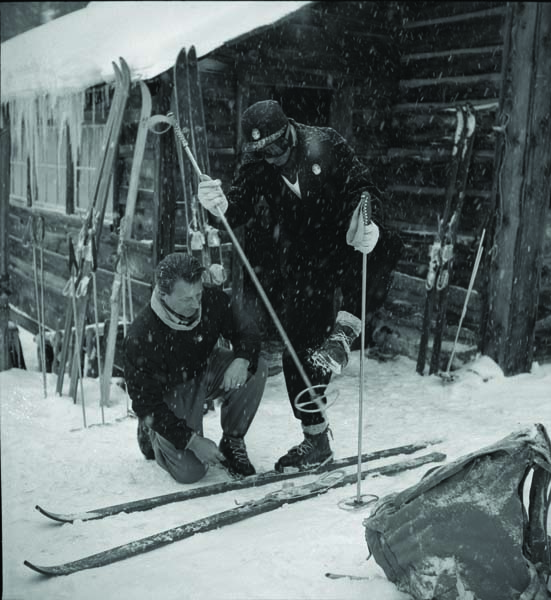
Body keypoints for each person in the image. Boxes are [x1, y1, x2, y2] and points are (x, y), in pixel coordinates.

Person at [198, 100, 403, 472]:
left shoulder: (325, 143)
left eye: (277, 148)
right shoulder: (258, 162)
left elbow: (363, 186)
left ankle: (347, 328)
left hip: (349, 235)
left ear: (289, 133)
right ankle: (316, 439)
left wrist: (368, 219)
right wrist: (218, 206)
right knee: (299, 344)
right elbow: (238, 208)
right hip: (306, 257)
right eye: (263, 152)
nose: (272, 158)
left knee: (385, 244)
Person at [123, 252, 267, 483]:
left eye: (198, 294)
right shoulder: (141, 336)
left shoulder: (210, 299)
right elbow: (144, 402)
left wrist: (242, 360)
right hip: (169, 391)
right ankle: (152, 434)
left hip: (204, 369)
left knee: (256, 367)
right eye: (186, 299)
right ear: (163, 294)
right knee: (191, 472)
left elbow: (247, 330)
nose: (195, 303)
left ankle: (233, 440)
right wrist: (193, 442)